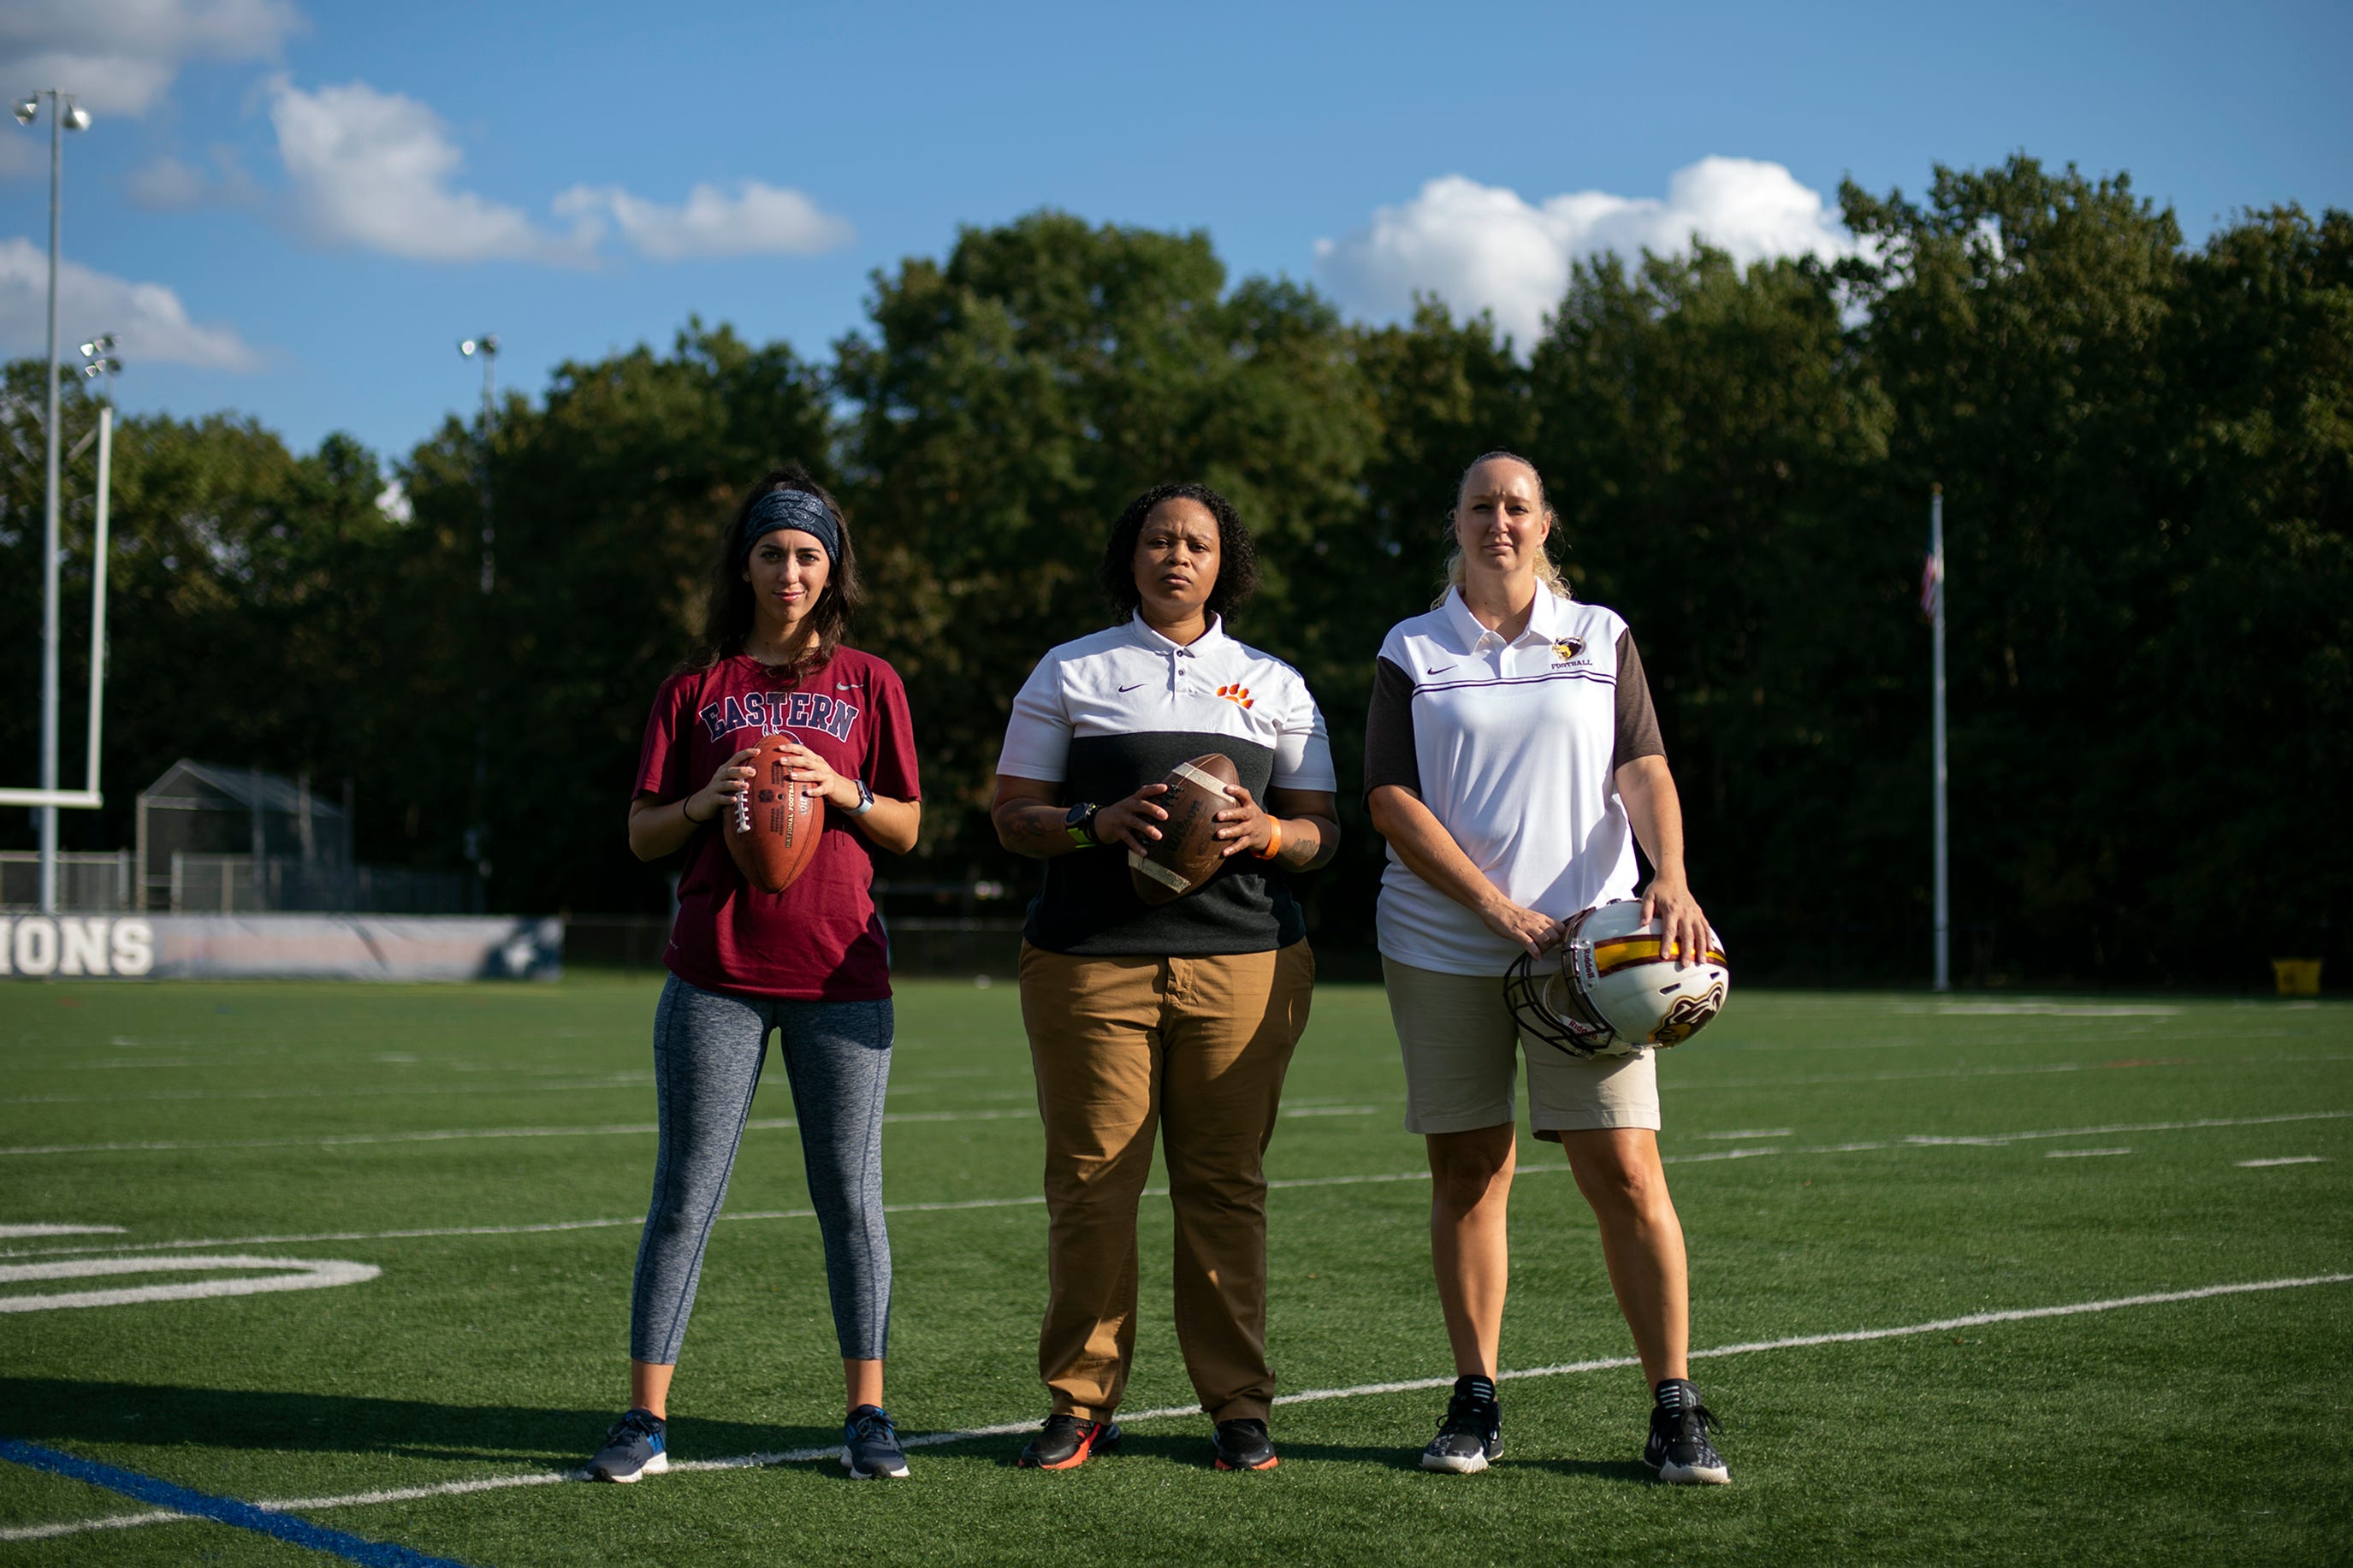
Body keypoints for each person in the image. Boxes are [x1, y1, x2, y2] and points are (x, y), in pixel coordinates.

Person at [1363, 451, 1730, 1484]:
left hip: (1593, 959)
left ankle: (1674, 1406)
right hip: (1441, 944)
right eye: (1480, 506)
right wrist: (1492, 908)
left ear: (1544, 523)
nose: (1498, 523)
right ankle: (1474, 1400)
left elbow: (1642, 765)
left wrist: (1674, 877)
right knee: (1470, 1173)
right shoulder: (1411, 646)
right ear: (1456, 523)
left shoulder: (1598, 634)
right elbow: (1391, 802)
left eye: (1516, 507)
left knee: (1624, 1169)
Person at [990, 482, 1340, 1472]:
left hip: (1242, 963)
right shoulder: (1072, 669)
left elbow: (1323, 831)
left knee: (1224, 1188)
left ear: (1223, 561)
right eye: (1156, 540)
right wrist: (1091, 823)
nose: (1175, 556)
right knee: (1092, 1187)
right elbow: (1011, 814)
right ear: (1129, 556)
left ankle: (1237, 1406)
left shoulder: (1273, 682)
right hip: (1088, 963)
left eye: (1195, 542)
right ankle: (1079, 1400)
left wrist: (1269, 830)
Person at [588, 468, 923, 1483]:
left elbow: (908, 826)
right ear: (746, 565)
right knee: (684, 1196)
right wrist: (705, 799)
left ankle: (866, 1413)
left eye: (808, 555)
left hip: (839, 975)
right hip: (716, 971)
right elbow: (643, 833)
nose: (790, 570)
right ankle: (645, 1417)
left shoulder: (871, 682)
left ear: (832, 573)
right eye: (773, 552)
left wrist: (842, 786)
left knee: (851, 1201)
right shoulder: (695, 687)